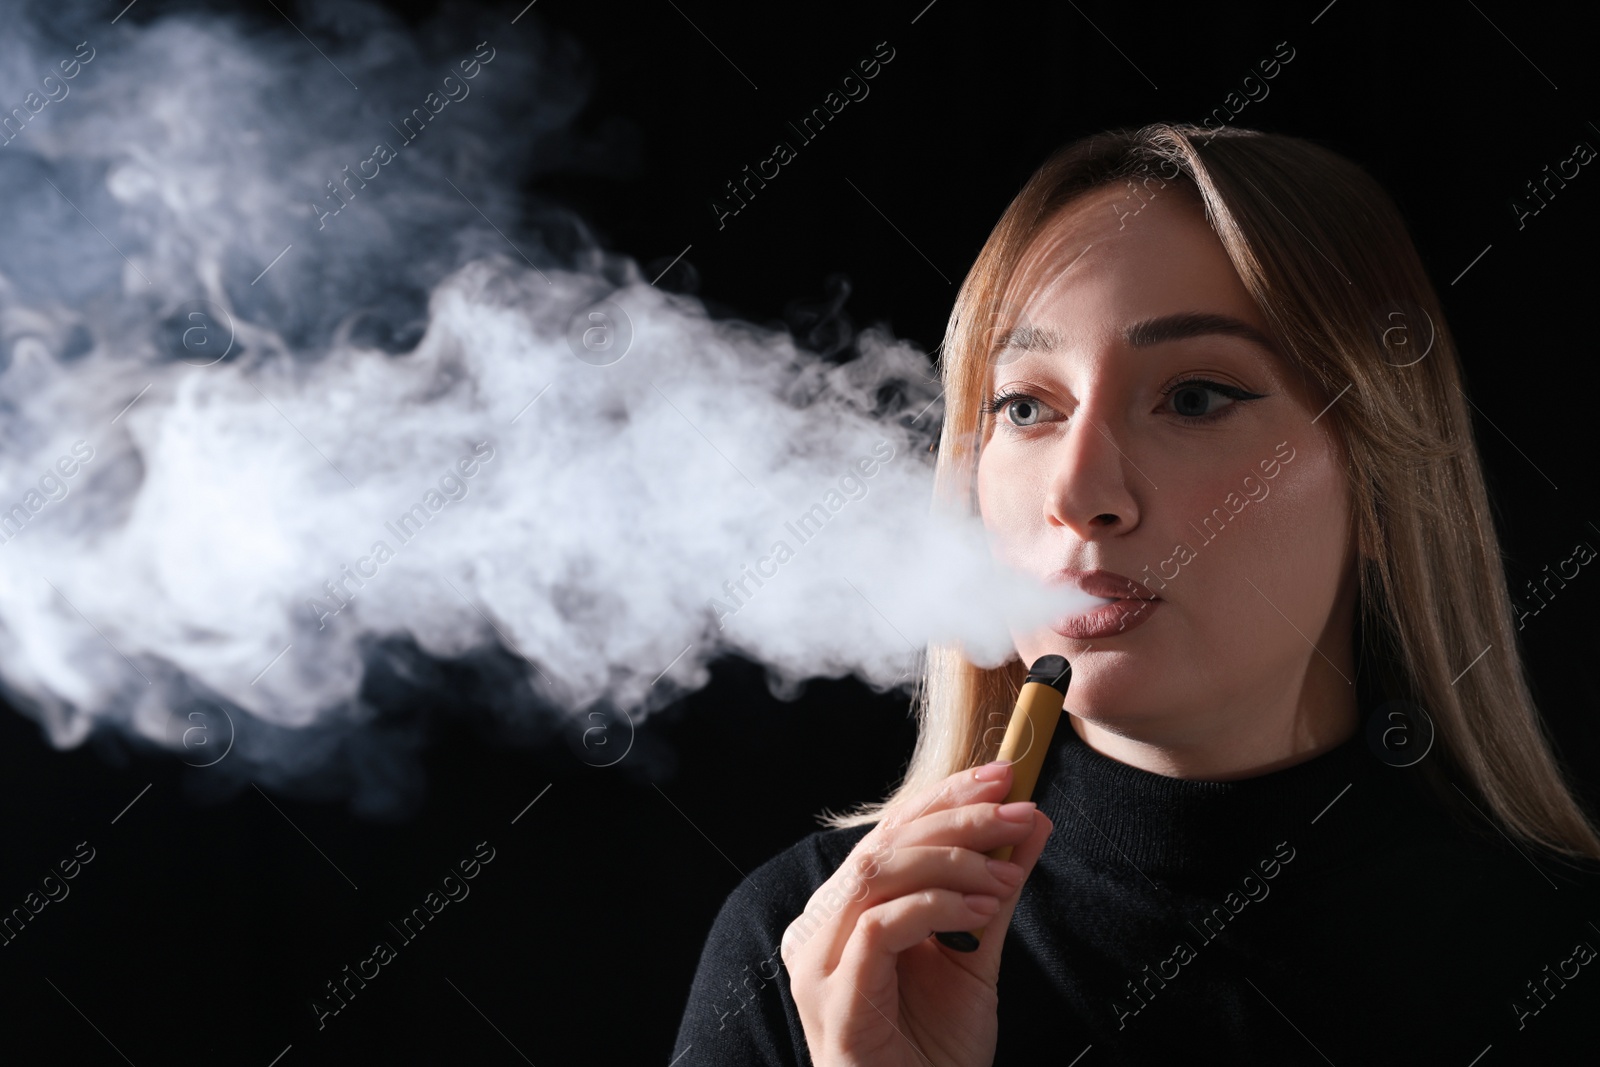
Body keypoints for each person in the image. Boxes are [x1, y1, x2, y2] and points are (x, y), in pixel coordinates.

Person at [670, 124, 1600, 1066]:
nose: (1078, 495)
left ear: (1379, 478)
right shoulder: (820, 955)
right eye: (1026, 405)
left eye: (1194, 397)